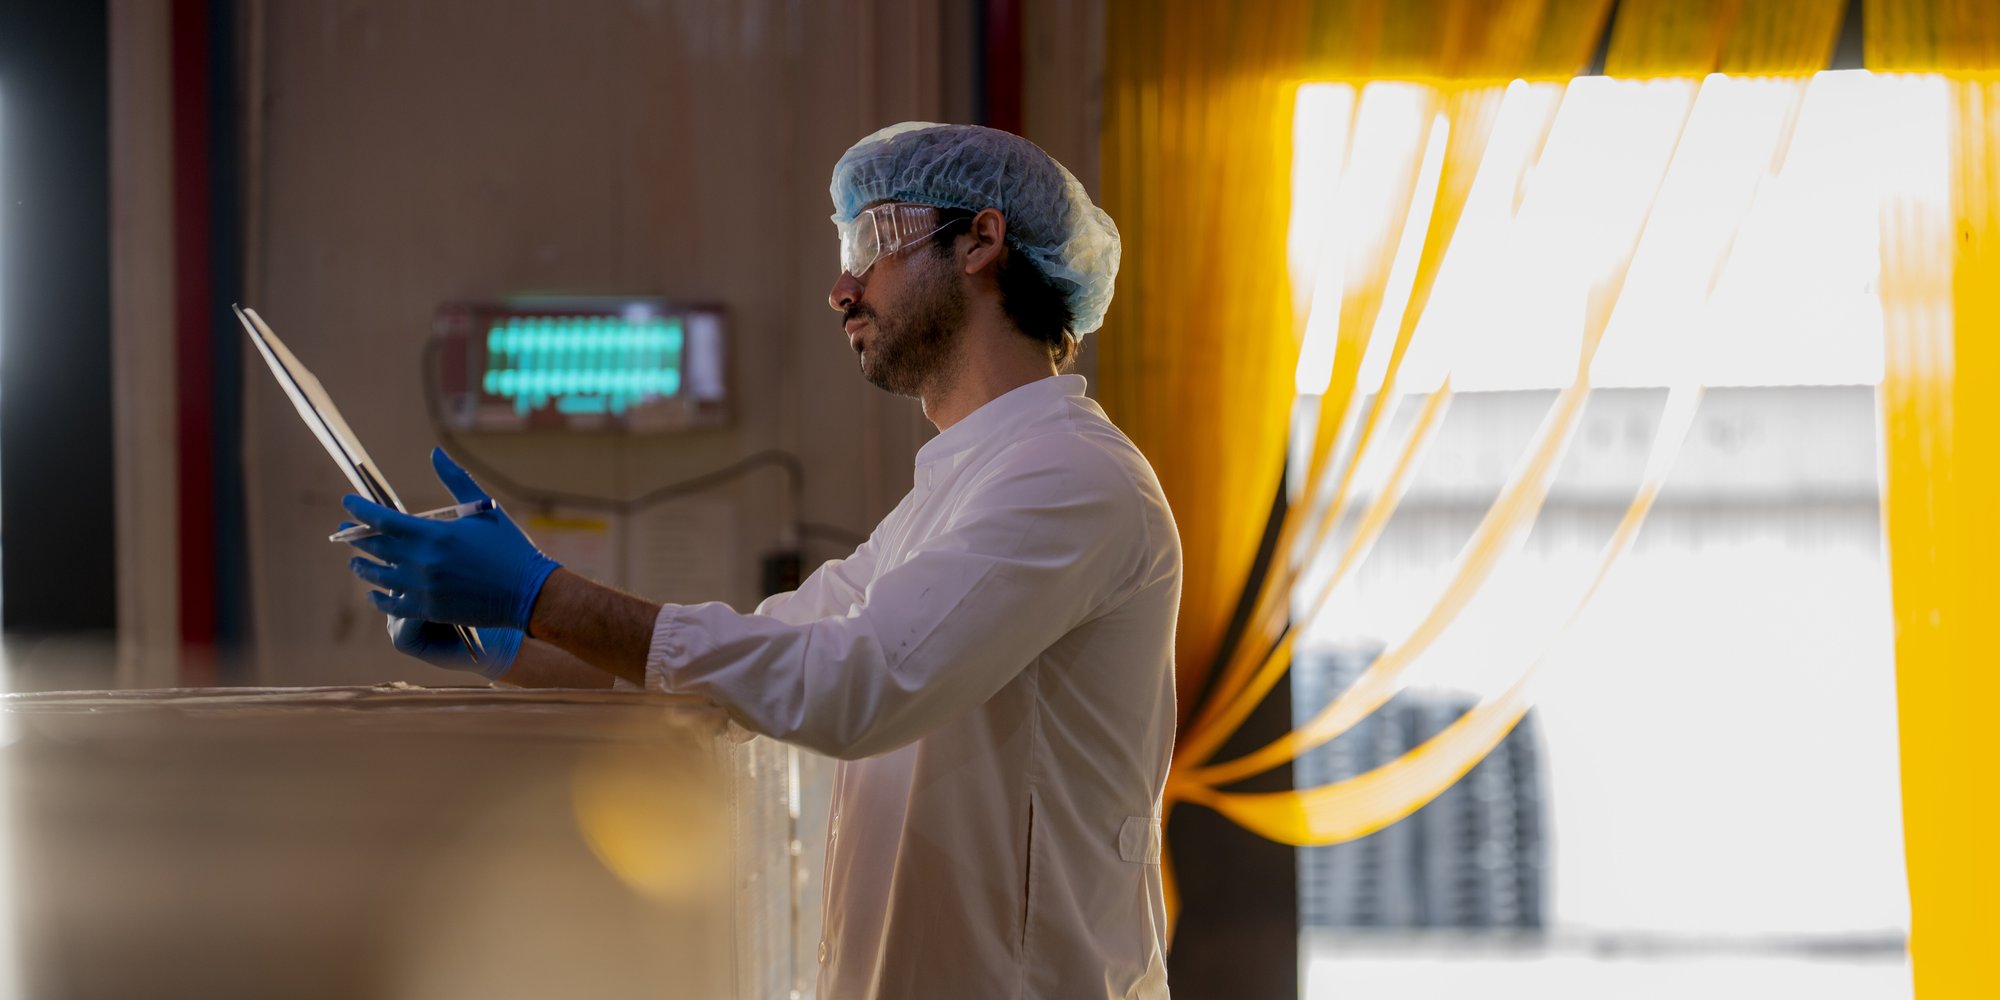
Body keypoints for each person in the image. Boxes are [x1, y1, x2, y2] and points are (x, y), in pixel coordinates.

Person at [341, 122, 1180, 999]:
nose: (842, 289)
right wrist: (512, 637)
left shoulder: (1072, 477)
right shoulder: (958, 490)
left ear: (981, 239)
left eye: (871, 243)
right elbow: (761, 656)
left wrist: (540, 592)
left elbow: (856, 685)